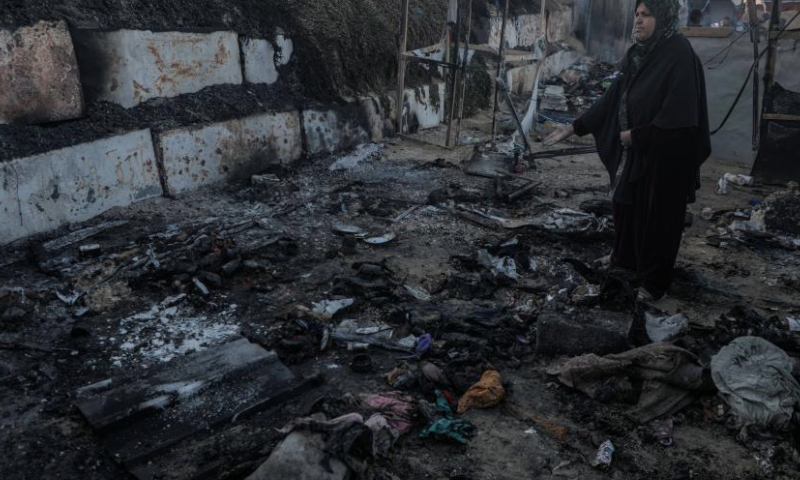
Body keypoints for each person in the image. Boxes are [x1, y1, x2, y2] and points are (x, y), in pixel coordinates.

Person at [544, 0, 711, 302]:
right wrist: (575, 126)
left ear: (663, 17)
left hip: (667, 160)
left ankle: (652, 283)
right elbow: (613, 99)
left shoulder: (679, 54)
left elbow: (681, 118)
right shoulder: (637, 55)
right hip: (637, 154)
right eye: (636, 14)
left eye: (646, 15)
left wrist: (638, 135)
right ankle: (625, 264)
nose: (639, 21)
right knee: (626, 206)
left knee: (658, 219)